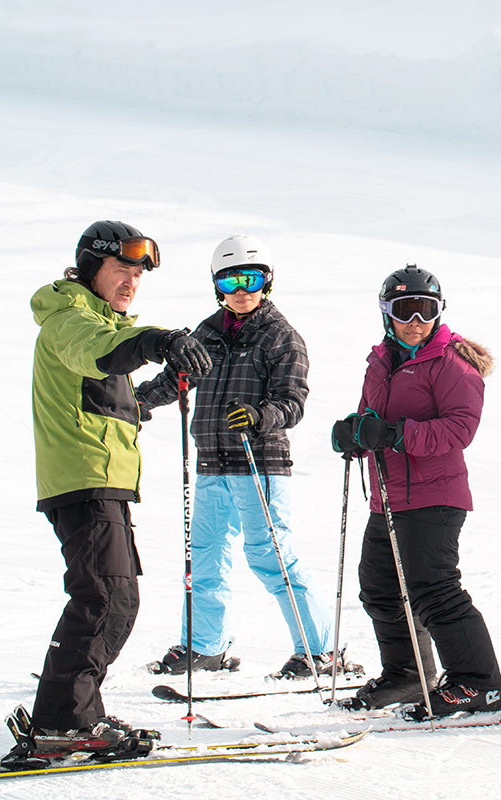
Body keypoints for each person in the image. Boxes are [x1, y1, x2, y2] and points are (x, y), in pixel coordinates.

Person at [136, 234, 360, 680]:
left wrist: (260, 416)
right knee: (204, 556)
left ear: (267, 282)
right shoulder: (208, 333)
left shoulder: (282, 338)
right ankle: (204, 647)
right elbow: (174, 380)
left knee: (270, 554)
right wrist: (136, 403)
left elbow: (293, 402)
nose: (241, 290)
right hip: (211, 462)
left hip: (259, 461)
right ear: (217, 285)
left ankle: (319, 651)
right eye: (230, 280)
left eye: (251, 279)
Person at [27, 220, 212, 757]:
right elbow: (98, 351)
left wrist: (164, 380)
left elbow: (111, 401)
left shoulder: (101, 323)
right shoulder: (70, 318)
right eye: (120, 269)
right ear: (90, 269)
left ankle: (69, 716)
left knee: (113, 598)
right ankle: (63, 722)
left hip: (100, 480)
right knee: (104, 598)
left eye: (137, 273)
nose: (131, 281)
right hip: (83, 479)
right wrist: (156, 340)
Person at [331, 264, 501, 717]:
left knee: (434, 590)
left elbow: (459, 429)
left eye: (425, 310)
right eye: (404, 309)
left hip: (435, 497)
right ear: (386, 313)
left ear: (438, 311)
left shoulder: (452, 362)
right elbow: (369, 415)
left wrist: (394, 434)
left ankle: (478, 683)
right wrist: (354, 433)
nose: (415, 321)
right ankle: (408, 676)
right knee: (380, 589)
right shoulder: (381, 360)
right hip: (388, 498)